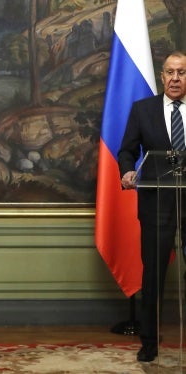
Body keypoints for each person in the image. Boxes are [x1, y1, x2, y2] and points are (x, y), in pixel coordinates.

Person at [118, 51, 186, 362]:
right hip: (156, 203)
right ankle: (149, 343)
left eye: (182, 72)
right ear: (162, 77)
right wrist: (127, 171)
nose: (175, 78)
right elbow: (127, 150)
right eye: (170, 72)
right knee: (153, 275)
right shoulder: (143, 109)